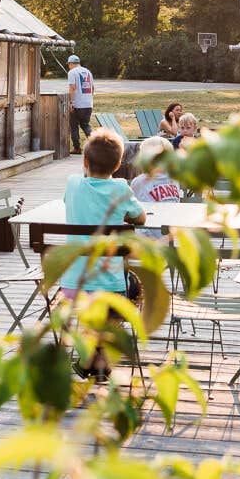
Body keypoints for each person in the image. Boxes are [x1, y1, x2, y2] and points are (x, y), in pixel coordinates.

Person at [57, 128, 145, 379]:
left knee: (95, 304)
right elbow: (140, 217)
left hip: (73, 286)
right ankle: (97, 356)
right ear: (118, 165)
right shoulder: (120, 188)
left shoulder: (73, 184)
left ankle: (94, 357)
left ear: (85, 161)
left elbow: (69, 200)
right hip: (109, 288)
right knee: (135, 289)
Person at [130, 136, 183, 238]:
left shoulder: (139, 181)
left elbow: (132, 209)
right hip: (171, 238)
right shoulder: (175, 179)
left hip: (147, 237)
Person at [66, 54, 95, 154]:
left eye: (68, 64)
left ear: (70, 63)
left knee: (74, 126)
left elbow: (72, 88)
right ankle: (96, 145)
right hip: (88, 103)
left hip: (78, 104)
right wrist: (89, 100)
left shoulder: (72, 72)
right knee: (86, 125)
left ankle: (77, 148)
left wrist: (71, 102)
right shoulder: (88, 72)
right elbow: (93, 88)